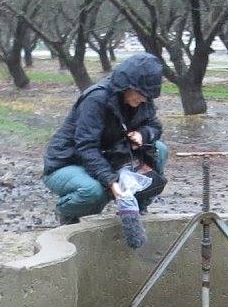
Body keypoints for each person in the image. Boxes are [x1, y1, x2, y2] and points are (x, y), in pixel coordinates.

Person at [43, 52, 168, 225]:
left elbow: (155, 126)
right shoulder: (96, 99)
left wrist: (143, 134)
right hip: (69, 162)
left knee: (159, 149)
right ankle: (67, 212)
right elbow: (86, 148)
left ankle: (136, 208)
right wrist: (112, 182)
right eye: (140, 94)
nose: (143, 99)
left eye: (147, 96)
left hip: (110, 156)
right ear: (127, 85)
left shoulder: (142, 100)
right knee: (94, 192)